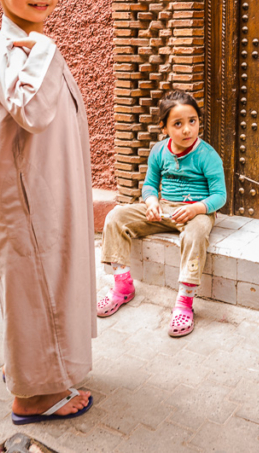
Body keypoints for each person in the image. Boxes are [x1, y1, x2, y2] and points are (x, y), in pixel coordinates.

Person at [0, 0, 96, 424]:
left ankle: (36, 370)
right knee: (38, 284)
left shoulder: (27, 43)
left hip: (47, 192)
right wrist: (44, 49)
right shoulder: (10, 48)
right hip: (28, 202)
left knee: (44, 284)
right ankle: (33, 398)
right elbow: (30, 110)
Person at [97, 89, 226, 337]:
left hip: (196, 212)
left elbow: (219, 195)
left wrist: (198, 209)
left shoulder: (208, 155)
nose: (187, 129)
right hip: (164, 209)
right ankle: (122, 286)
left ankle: (185, 302)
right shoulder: (158, 151)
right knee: (115, 216)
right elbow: (149, 184)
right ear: (164, 128)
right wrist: (152, 201)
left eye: (192, 121)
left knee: (196, 234)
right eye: (178, 124)